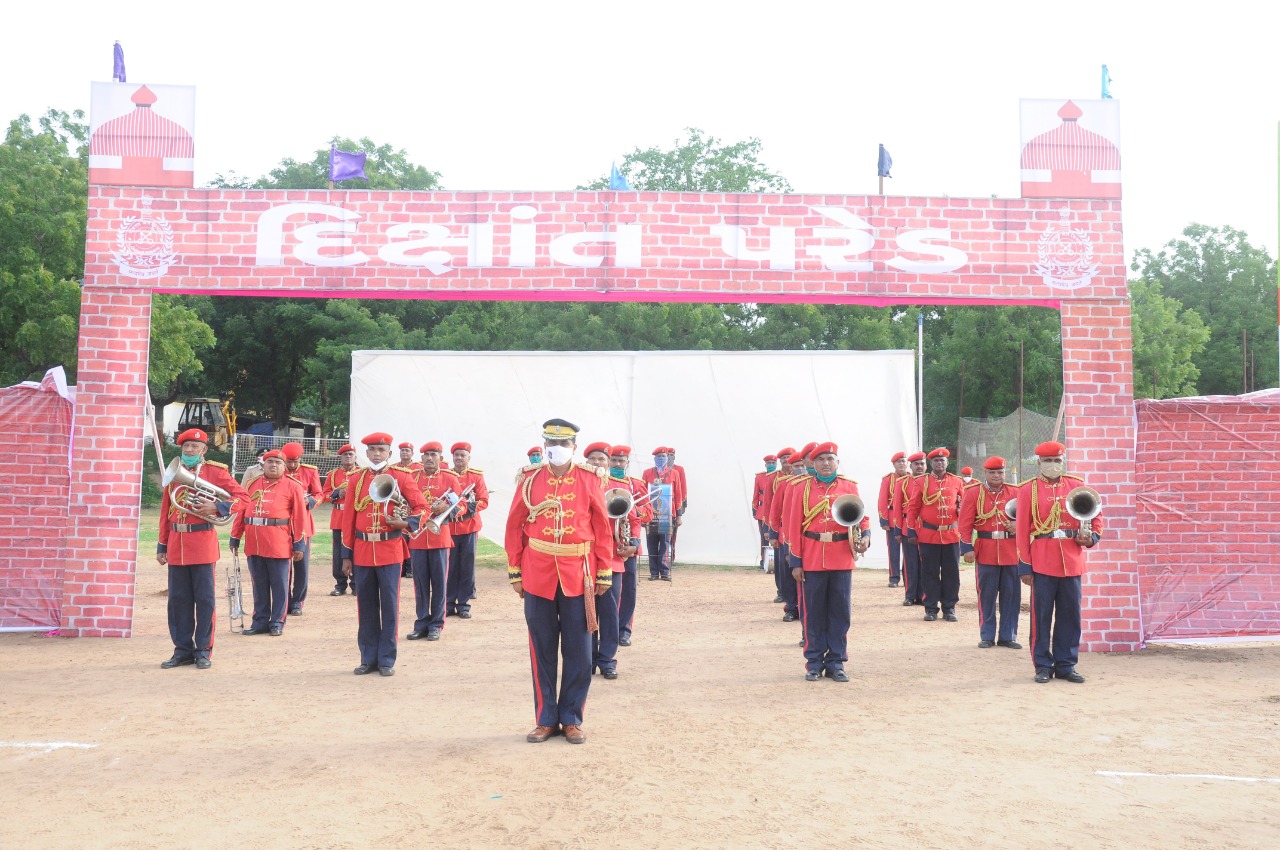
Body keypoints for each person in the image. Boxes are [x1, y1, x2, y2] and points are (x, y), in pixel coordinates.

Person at [505, 418, 613, 745]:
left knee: (580, 651)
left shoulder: (589, 478)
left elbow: (602, 527)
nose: (557, 449)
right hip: (537, 573)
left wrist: (603, 569)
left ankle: (571, 718)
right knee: (541, 649)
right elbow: (514, 526)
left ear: (574, 448)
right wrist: (515, 569)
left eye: (564, 444)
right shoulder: (529, 479)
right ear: (543, 445)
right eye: (551, 443)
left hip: (578, 574)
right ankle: (545, 719)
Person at [156, 428, 249, 669]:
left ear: (204, 450)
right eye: (185, 447)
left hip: (203, 544)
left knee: (205, 600)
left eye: (194, 447)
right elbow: (166, 510)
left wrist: (218, 506)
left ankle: (203, 650)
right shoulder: (174, 473)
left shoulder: (216, 472)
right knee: (178, 601)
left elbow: (244, 498)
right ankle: (182, 650)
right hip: (177, 544)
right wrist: (162, 544)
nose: (189, 451)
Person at [339, 432, 429, 677]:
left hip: (390, 550)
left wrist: (405, 524)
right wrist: (346, 555)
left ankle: (387, 659)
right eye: (372, 450)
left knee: (390, 606)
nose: (376, 454)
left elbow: (423, 507)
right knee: (365, 606)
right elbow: (348, 519)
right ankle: (368, 658)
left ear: (389, 453)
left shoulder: (401, 476)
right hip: (363, 550)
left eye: (381, 449)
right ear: (365, 453)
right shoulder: (357, 480)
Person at [1016, 441, 1104, 684]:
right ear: (1039, 463)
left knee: (1070, 616)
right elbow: (1022, 531)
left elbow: (1096, 518)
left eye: (1057, 461)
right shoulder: (1027, 490)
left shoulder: (1077, 486)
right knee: (1041, 616)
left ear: (1063, 461)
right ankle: (1042, 665)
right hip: (1042, 560)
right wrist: (1025, 566)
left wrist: (1091, 538)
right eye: (1048, 461)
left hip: (1072, 558)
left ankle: (1066, 664)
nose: (1053, 465)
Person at [782, 442, 871, 681]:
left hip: (841, 556)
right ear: (813, 463)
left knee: (840, 613)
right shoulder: (801, 488)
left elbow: (862, 517)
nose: (825, 463)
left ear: (837, 462)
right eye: (820, 459)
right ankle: (813, 661)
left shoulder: (849, 486)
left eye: (830, 459)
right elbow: (792, 525)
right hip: (811, 557)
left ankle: (836, 662)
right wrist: (796, 562)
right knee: (813, 612)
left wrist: (867, 536)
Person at [231, 449, 308, 636]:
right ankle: (260, 621)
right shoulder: (251, 484)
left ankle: (277, 621)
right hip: (254, 542)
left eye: (278, 462)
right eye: (270, 462)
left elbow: (299, 518)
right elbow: (241, 511)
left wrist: (299, 544)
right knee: (259, 584)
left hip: (278, 542)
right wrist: (235, 536)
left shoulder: (293, 486)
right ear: (263, 465)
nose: (274, 465)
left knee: (279, 585)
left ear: (284, 466)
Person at [406, 442, 469, 642]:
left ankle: (436, 624)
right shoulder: (412, 477)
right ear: (421, 458)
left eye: (433, 455)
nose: (429, 458)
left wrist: (447, 507)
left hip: (440, 537)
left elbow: (462, 506)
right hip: (417, 538)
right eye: (425, 455)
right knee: (420, 584)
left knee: (440, 584)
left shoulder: (450, 478)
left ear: (440, 458)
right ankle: (422, 622)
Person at [959, 456, 1023, 649]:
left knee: (1011, 595)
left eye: (1000, 472)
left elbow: (1028, 518)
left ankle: (1008, 635)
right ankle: (987, 635)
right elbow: (965, 523)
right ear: (985, 473)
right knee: (986, 595)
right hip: (985, 549)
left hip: (1011, 550)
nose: (997, 476)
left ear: (1004, 473)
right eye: (992, 472)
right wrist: (966, 548)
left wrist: (1017, 525)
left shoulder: (1016, 491)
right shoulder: (973, 492)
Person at [905, 447, 965, 622]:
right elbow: (913, 507)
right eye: (936, 461)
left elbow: (965, 504)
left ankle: (949, 607)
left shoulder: (956, 481)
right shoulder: (921, 481)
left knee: (951, 573)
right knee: (929, 572)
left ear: (947, 463)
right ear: (931, 463)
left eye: (942, 460)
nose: (939, 463)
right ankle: (930, 607)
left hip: (951, 534)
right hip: (928, 534)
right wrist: (911, 529)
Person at [585, 442, 626, 679]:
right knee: (586, 612)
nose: (597, 463)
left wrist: (631, 542)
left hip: (612, 558)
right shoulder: (578, 483)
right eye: (593, 459)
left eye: (602, 459)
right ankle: (588, 658)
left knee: (610, 612)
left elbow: (631, 517)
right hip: (584, 558)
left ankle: (608, 660)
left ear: (608, 463)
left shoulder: (619, 487)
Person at [608, 444, 652, 647]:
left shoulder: (636, 484)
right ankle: (606, 630)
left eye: (621, 461)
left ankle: (624, 630)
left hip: (629, 546)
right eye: (614, 460)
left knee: (628, 591)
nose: (617, 464)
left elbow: (648, 513)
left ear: (627, 463)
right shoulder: (600, 482)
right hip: (607, 545)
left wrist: (631, 514)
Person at [770, 442, 817, 624]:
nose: (801, 469)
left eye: (803, 466)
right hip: (786, 535)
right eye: (797, 466)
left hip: (809, 537)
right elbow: (775, 510)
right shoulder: (785, 485)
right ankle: (791, 607)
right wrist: (774, 534)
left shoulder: (814, 484)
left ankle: (806, 608)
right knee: (788, 574)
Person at [281, 441, 323, 616]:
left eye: (295, 461)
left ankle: (297, 601)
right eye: (288, 462)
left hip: (303, 522)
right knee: (283, 565)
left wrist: (309, 501)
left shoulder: (310, 471)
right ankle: (283, 600)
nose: (291, 465)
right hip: (283, 524)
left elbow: (319, 494)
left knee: (301, 566)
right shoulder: (278, 470)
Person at [447, 441, 489, 619]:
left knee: (467, 566)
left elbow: (484, 500)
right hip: (449, 527)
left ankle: (464, 604)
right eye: (456, 455)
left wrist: (465, 508)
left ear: (468, 458)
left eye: (462, 455)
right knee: (450, 566)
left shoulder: (476, 477)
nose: (459, 458)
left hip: (469, 526)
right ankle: (448, 603)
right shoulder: (446, 475)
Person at [759, 447, 796, 603]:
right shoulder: (774, 477)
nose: (786, 461)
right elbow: (768, 504)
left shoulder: (802, 476)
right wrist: (768, 529)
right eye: (783, 459)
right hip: (779, 525)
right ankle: (782, 591)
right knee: (781, 563)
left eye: (789, 457)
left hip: (795, 525)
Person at [641, 447, 684, 581]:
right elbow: (642, 494)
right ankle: (654, 572)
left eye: (663, 456)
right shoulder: (647, 473)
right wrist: (642, 515)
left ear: (667, 458)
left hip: (667, 514)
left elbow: (678, 494)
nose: (661, 459)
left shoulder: (674, 473)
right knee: (651, 543)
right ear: (654, 459)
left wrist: (679, 515)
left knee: (665, 543)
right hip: (651, 513)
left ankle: (665, 572)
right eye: (658, 456)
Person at [323, 444, 358, 596]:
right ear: (341, 457)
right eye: (345, 455)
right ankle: (340, 584)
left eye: (351, 454)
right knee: (338, 552)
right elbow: (324, 495)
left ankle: (356, 583)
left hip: (356, 517)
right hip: (339, 517)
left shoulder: (362, 473)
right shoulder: (333, 474)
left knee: (356, 551)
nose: (348, 457)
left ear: (356, 457)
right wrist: (339, 493)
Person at [894, 451, 927, 606]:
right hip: (909, 527)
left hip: (927, 528)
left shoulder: (931, 481)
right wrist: (898, 530)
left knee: (926, 563)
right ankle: (910, 594)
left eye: (922, 464)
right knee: (910, 563)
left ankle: (923, 595)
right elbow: (897, 507)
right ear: (911, 466)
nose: (919, 467)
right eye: (916, 464)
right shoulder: (903, 483)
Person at [877, 452, 908, 587]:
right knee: (894, 550)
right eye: (899, 461)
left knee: (908, 550)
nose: (902, 463)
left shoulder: (911, 478)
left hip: (907, 520)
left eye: (903, 461)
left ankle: (908, 577)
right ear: (894, 464)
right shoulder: (888, 479)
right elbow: (883, 500)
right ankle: (894, 577)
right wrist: (883, 520)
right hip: (892, 519)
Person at [752, 454, 778, 571]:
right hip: (762, 512)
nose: (771, 465)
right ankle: (764, 560)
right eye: (769, 464)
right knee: (764, 537)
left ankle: (776, 560)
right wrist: (754, 508)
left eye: (773, 463)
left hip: (776, 511)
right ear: (765, 465)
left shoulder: (779, 476)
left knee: (777, 536)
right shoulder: (759, 477)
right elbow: (756, 494)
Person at [666, 447, 689, 561]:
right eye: (667, 455)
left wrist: (682, 506)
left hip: (675, 505)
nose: (669, 457)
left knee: (672, 534)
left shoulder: (678, 470)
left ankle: (671, 557)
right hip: (661, 505)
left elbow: (682, 488)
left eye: (671, 455)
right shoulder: (656, 470)